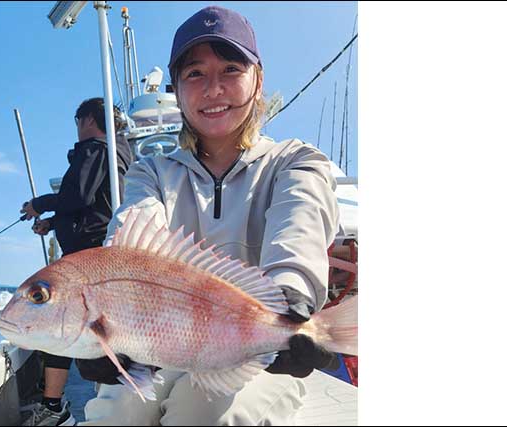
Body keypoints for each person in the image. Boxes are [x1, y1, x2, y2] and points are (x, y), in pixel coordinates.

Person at [75, 6, 342, 425]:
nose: (213, 88)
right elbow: (129, 241)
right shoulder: (151, 173)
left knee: (203, 416)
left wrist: (292, 301)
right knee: (117, 414)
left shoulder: (294, 161)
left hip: (256, 351)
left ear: (258, 80)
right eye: (195, 74)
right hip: (163, 344)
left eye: (231, 69)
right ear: (178, 89)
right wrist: (104, 328)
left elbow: (299, 226)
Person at [19, 97, 133, 426]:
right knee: (85, 327)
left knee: (57, 322)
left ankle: (55, 408)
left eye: (78, 122)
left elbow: (79, 196)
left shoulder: (95, 149)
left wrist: (39, 204)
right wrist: (54, 223)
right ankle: (101, 403)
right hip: (95, 250)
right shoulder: (113, 151)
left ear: (86, 121)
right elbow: (93, 203)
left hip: (86, 255)